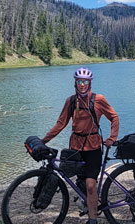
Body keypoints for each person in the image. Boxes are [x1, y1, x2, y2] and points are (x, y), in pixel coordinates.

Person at [42, 68, 119, 224]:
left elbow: (114, 117)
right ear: (75, 83)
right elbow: (60, 124)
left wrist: (112, 138)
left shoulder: (98, 100)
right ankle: (88, 203)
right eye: (79, 82)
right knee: (80, 182)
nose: (82, 85)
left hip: (94, 148)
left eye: (85, 82)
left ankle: (93, 220)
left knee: (91, 185)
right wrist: (44, 141)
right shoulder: (70, 101)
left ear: (89, 83)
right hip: (76, 148)